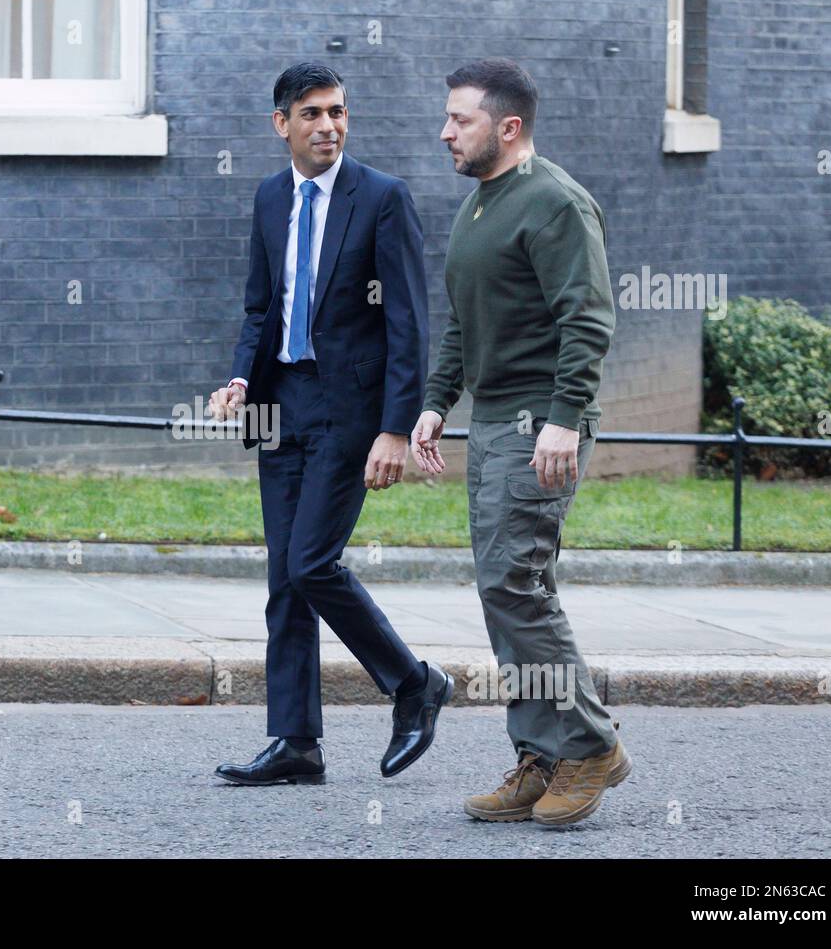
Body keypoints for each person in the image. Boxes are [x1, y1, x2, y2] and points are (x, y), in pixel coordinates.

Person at [208, 62, 452, 786]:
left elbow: (409, 322)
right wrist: (242, 376)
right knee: (286, 580)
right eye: (311, 113)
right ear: (280, 124)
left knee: (312, 561)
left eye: (337, 111)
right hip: (280, 404)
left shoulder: (380, 198)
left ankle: (412, 682)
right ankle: (296, 742)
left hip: (349, 413)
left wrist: (395, 428)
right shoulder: (267, 197)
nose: (328, 126)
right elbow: (262, 307)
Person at [412, 58, 630, 826]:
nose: (444, 132)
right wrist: (437, 403)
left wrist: (566, 418)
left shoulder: (555, 203)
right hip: (495, 419)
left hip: (540, 422)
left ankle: (592, 745)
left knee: (517, 586)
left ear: (508, 127)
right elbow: (462, 321)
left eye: (459, 119)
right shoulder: (480, 206)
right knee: (508, 594)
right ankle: (541, 754)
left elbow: (589, 319)